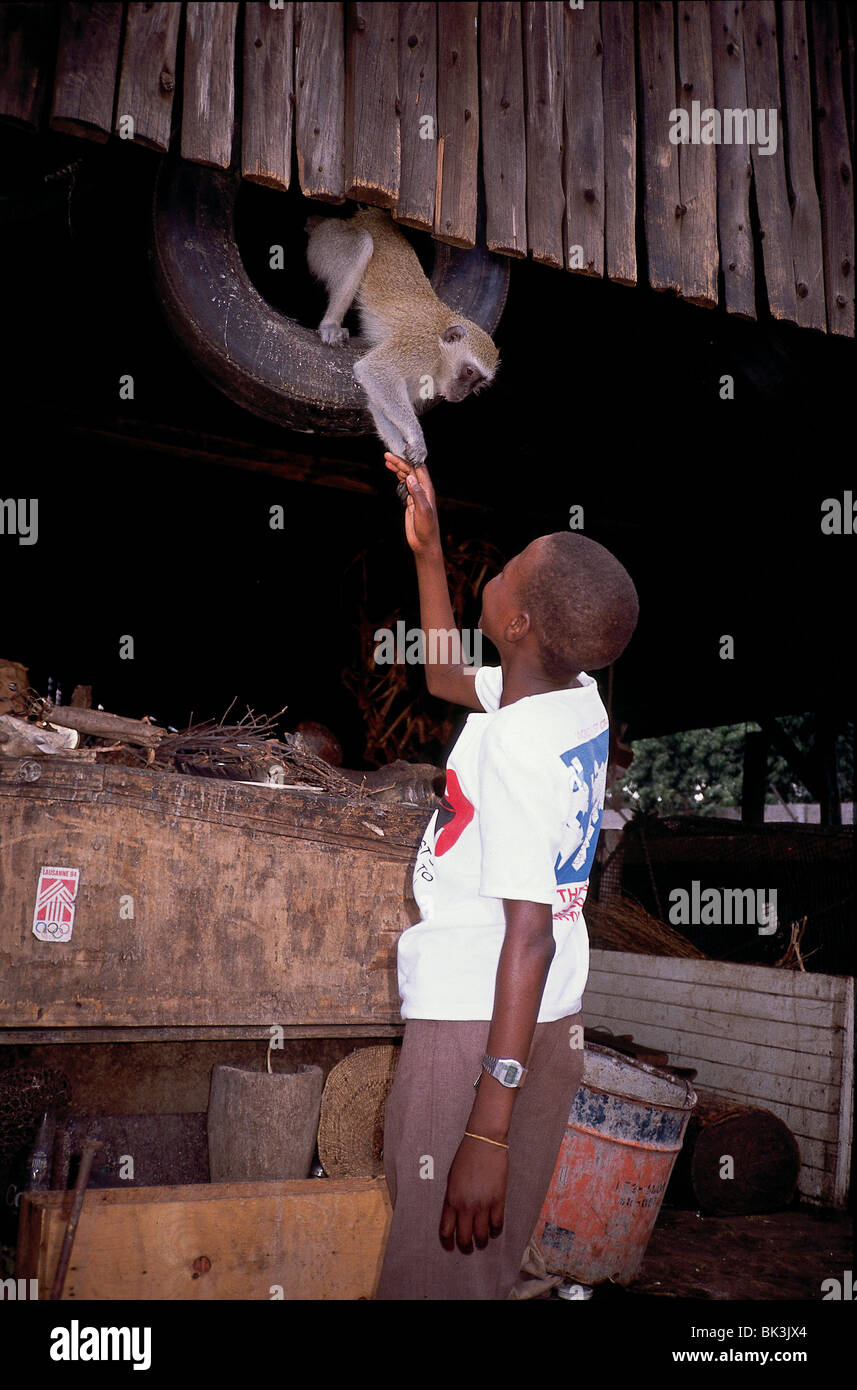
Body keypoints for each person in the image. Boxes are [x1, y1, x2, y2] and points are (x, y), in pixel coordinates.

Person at [375, 454, 639, 1301]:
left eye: (511, 566)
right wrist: (427, 552)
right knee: (476, 1273)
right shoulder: (570, 701)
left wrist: (487, 1130)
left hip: (481, 1028)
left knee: (428, 1270)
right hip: (541, 1026)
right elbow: (443, 678)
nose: (493, 568)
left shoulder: (519, 742)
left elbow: (525, 934)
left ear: (519, 622)